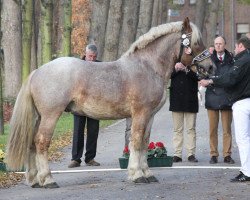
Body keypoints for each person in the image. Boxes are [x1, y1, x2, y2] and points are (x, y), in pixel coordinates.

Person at [200, 36, 250, 182]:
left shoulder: (243, 60)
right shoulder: (243, 59)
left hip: (242, 102)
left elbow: (230, 78)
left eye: (236, 46)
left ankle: (247, 172)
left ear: (241, 46)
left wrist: (210, 80)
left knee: (243, 139)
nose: (234, 49)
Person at [68, 44, 101, 168]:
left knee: (93, 131)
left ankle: (90, 158)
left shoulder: (100, 66)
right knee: (78, 131)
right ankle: (75, 159)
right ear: (85, 54)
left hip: (95, 104)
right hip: (79, 104)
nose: (92, 59)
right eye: (90, 56)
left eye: (94, 56)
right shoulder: (77, 66)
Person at [205, 36, 235, 165]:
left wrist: (214, 80)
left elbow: (231, 78)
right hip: (212, 96)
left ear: (225, 44)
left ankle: (227, 155)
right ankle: (213, 154)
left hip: (227, 97)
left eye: (220, 43)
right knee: (212, 129)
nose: (218, 46)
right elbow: (202, 75)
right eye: (216, 43)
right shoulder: (208, 60)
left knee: (227, 129)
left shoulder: (232, 60)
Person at [169, 61, 199, 163]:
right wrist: (176, 68)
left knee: (191, 128)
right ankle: (177, 154)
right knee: (177, 129)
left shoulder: (195, 61)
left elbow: (198, 77)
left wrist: (186, 69)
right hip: (176, 99)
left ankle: (191, 154)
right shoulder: (173, 61)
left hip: (190, 100)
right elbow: (168, 75)